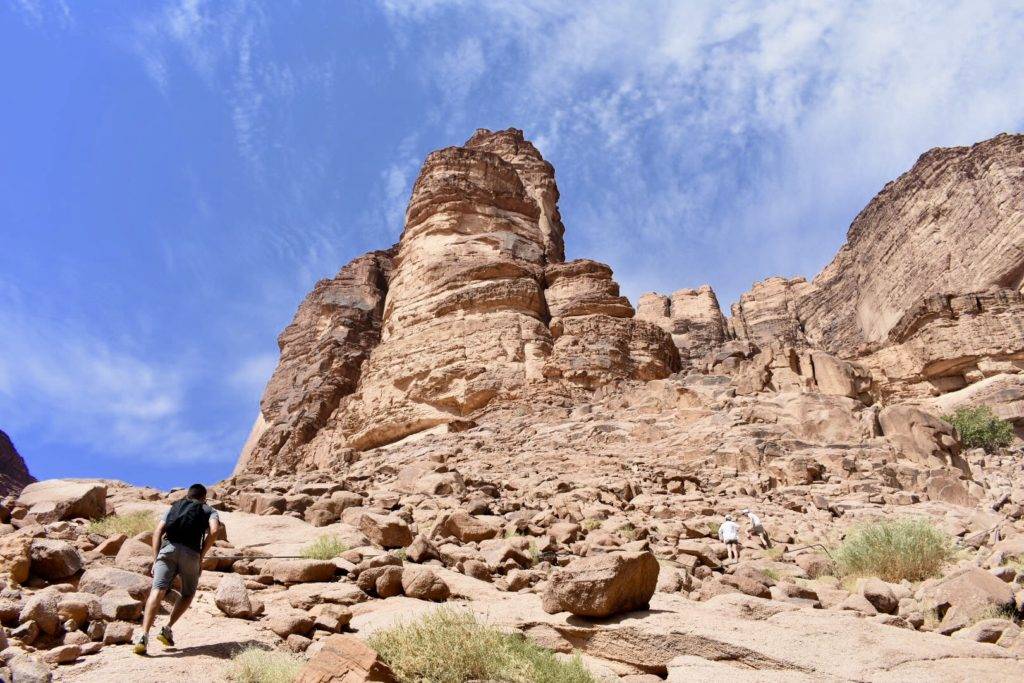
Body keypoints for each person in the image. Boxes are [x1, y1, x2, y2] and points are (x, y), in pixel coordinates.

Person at [133, 483, 221, 655]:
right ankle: (167, 628)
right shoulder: (208, 510)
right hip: (191, 554)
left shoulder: (174, 507)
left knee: (157, 590)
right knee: (188, 594)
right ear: (204, 498)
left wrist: (156, 557)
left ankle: (143, 635)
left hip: (167, 550)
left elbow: (158, 531)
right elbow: (215, 530)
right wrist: (202, 554)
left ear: (188, 495)